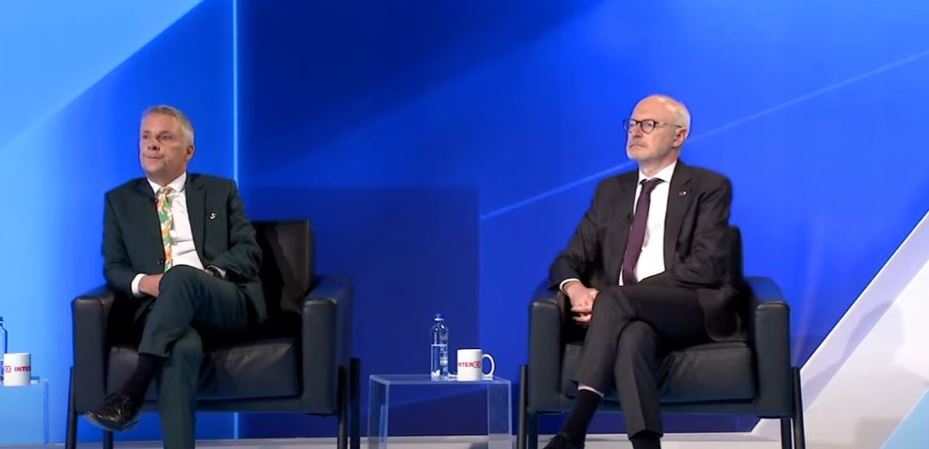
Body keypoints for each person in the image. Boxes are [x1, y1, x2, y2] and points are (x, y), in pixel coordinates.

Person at [544, 95, 742, 449]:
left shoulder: (709, 187)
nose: (635, 132)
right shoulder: (611, 192)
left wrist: (619, 298)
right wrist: (576, 290)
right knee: (634, 336)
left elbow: (706, 265)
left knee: (616, 301)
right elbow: (567, 259)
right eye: (632, 124)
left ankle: (573, 431)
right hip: (624, 314)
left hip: (689, 305)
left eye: (649, 124)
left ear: (679, 136)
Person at [85, 105, 266, 449]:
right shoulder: (119, 201)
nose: (151, 145)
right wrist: (146, 283)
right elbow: (115, 267)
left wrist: (207, 275)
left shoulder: (220, 190)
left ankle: (131, 393)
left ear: (188, 151)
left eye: (164, 137)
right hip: (161, 309)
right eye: (146, 137)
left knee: (182, 276)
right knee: (181, 348)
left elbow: (249, 250)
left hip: (221, 300)